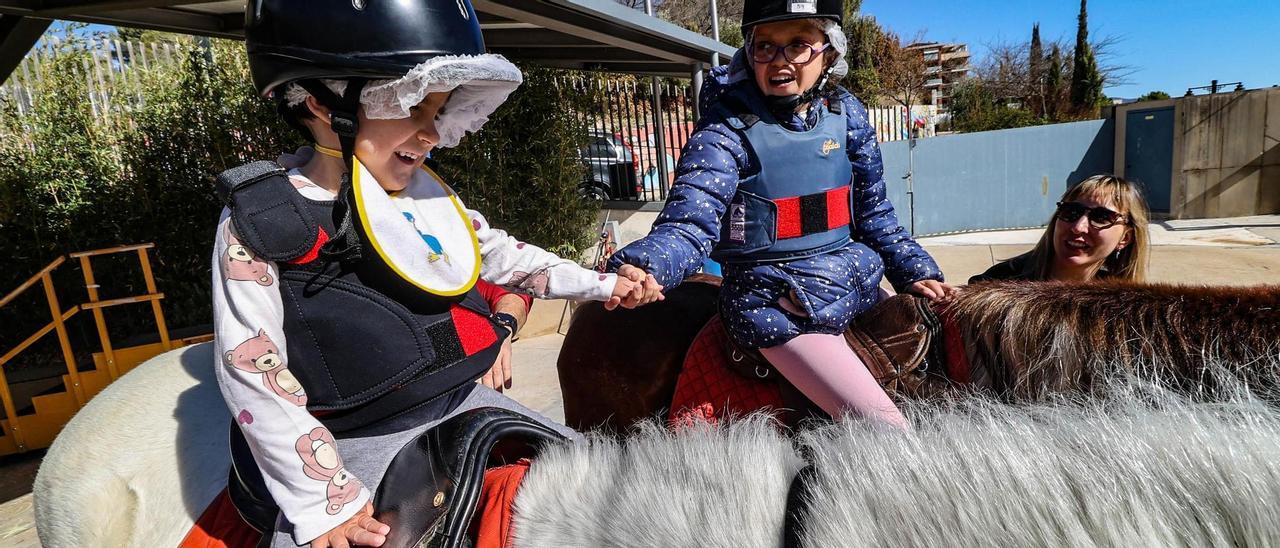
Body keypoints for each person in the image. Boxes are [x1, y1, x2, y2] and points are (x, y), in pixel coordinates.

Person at [213, 2, 649, 546]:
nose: (433, 134)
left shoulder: (419, 196)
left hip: (466, 399)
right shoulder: (264, 218)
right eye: (414, 108)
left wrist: (604, 285)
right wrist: (324, 503)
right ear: (324, 100)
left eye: (438, 112)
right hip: (359, 439)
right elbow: (250, 365)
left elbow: (503, 256)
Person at [608, 0, 953, 430]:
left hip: (852, 285)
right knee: (888, 430)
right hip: (776, 308)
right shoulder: (723, 132)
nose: (779, 60)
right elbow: (689, 222)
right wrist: (645, 265)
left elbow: (874, 213)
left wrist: (914, 270)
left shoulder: (848, 116)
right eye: (765, 46)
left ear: (830, 51)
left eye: (798, 45)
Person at [969, 174, 1150, 283]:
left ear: (1125, 238)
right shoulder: (1000, 283)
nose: (1079, 227)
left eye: (1101, 217)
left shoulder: (1126, 310)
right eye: (1072, 211)